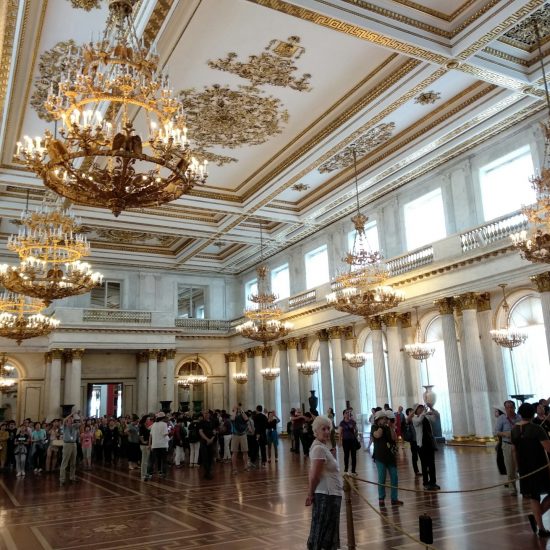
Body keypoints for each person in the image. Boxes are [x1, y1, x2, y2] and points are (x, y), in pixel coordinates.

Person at [511, 402, 550, 537]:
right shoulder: (537, 429)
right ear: (533, 413)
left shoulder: (514, 430)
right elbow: (548, 448)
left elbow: (514, 451)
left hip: (524, 469)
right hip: (539, 467)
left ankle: (541, 528)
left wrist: (517, 468)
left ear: (520, 414)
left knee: (534, 497)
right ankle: (538, 521)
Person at [305, 415, 342, 550]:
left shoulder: (322, 447)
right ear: (316, 431)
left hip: (331, 494)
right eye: (323, 429)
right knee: (322, 532)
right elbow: (314, 475)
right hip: (326, 495)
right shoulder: (319, 449)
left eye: (328, 429)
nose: (327, 432)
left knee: (328, 531)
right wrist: (310, 495)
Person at [372, 410, 403, 506]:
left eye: (386, 418)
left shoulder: (387, 427)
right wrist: (381, 426)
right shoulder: (375, 427)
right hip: (380, 456)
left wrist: (391, 428)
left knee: (394, 476)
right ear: (378, 419)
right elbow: (377, 435)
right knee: (382, 477)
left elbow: (393, 438)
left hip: (390, 456)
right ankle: (381, 498)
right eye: (383, 418)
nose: (385, 420)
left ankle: (394, 498)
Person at [494, 399, 521, 496]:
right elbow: (496, 432)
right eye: (507, 407)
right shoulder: (501, 418)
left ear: (514, 408)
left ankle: (524, 488)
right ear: (505, 408)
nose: (509, 409)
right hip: (507, 445)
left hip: (519, 445)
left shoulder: (519, 418)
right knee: (510, 467)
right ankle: (512, 489)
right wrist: (505, 434)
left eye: (511, 407)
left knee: (521, 466)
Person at [411, 403, 439, 491]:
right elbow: (419, 421)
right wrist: (424, 413)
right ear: (416, 410)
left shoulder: (427, 417)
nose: (422, 409)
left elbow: (437, 417)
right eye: (419, 408)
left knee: (432, 463)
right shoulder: (414, 418)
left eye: (422, 408)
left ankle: (433, 482)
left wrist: (432, 408)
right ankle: (425, 483)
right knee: (424, 464)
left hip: (430, 443)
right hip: (421, 444)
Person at [59, 414, 79, 486]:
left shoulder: (75, 427)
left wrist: (79, 416)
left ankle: (72, 476)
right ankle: (62, 479)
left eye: (72, 419)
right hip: (67, 444)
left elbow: (82, 423)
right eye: (69, 419)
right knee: (65, 462)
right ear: (67, 421)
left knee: (73, 462)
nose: (71, 420)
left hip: (74, 444)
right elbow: (64, 420)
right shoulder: (64, 426)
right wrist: (71, 414)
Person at [148, 411, 169, 479]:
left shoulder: (154, 424)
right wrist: (169, 431)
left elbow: (150, 435)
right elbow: (165, 434)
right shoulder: (164, 424)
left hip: (155, 445)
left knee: (152, 460)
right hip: (163, 445)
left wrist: (149, 444)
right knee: (164, 460)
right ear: (163, 418)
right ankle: (163, 474)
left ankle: (149, 474)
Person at [338, 409, 358, 475]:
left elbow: (356, 430)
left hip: (352, 441)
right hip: (345, 441)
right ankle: (346, 470)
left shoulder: (352, 421)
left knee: (354, 455)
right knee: (346, 455)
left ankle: (353, 471)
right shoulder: (342, 423)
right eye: (346, 413)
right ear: (343, 415)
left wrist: (355, 433)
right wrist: (340, 441)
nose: (348, 414)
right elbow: (340, 433)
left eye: (349, 413)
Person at [198, 410, 216, 479]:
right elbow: (200, 432)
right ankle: (207, 472)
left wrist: (211, 439)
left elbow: (214, 431)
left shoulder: (212, 422)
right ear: (203, 414)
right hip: (204, 442)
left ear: (209, 414)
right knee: (205, 457)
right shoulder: (201, 422)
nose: (206, 414)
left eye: (207, 413)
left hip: (211, 442)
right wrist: (207, 439)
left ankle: (209, 471)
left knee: (210, 457)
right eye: (205, 413)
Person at [231, 404, 249, 474]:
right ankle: (234, 469)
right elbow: (232, 419)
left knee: (245, 451)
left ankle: (246, 467)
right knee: (234, 452)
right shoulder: (233, 415)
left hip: (243, 435)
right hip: (235, 435)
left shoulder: (242, 414)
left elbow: (246, 419)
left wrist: (241, 409)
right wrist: (235, 410)